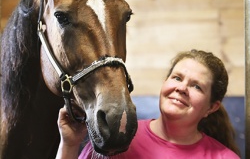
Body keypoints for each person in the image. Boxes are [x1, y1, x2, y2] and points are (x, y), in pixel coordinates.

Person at [56, 49, 241, 159]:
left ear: (212, 107)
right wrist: (69, 144)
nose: (182, 88)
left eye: (197, 87)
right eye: (177, 78)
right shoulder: (118, 140)